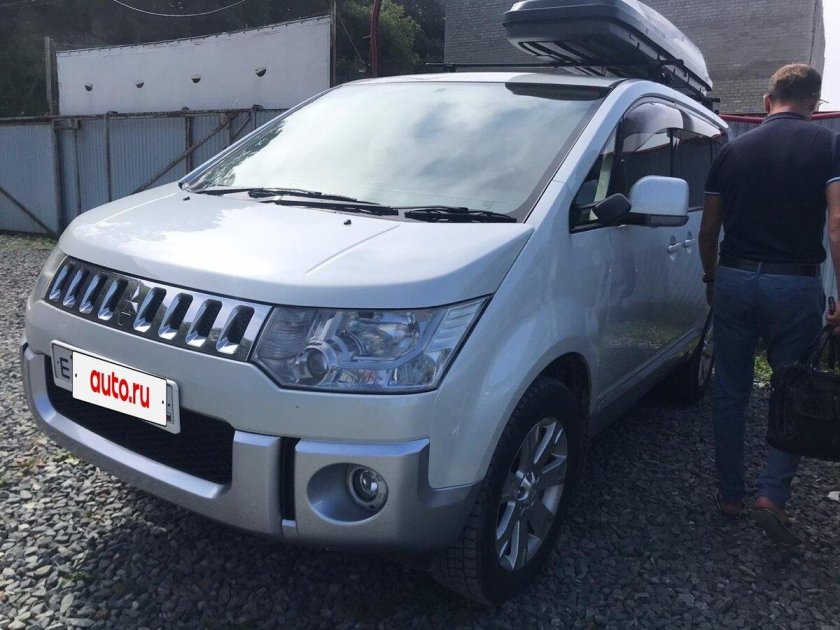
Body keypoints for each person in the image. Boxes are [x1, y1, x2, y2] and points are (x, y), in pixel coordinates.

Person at [699, 63, 840, 544]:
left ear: (766, 101)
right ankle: (772, 495)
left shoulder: (732, 151)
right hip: (793, 286)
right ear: (815, 103)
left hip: (736, 278)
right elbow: (837, 224)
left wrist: (711, 279)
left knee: (730, 390)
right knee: (791, 389)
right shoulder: (829, 145)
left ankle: (730, 495)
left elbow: (708, 229)